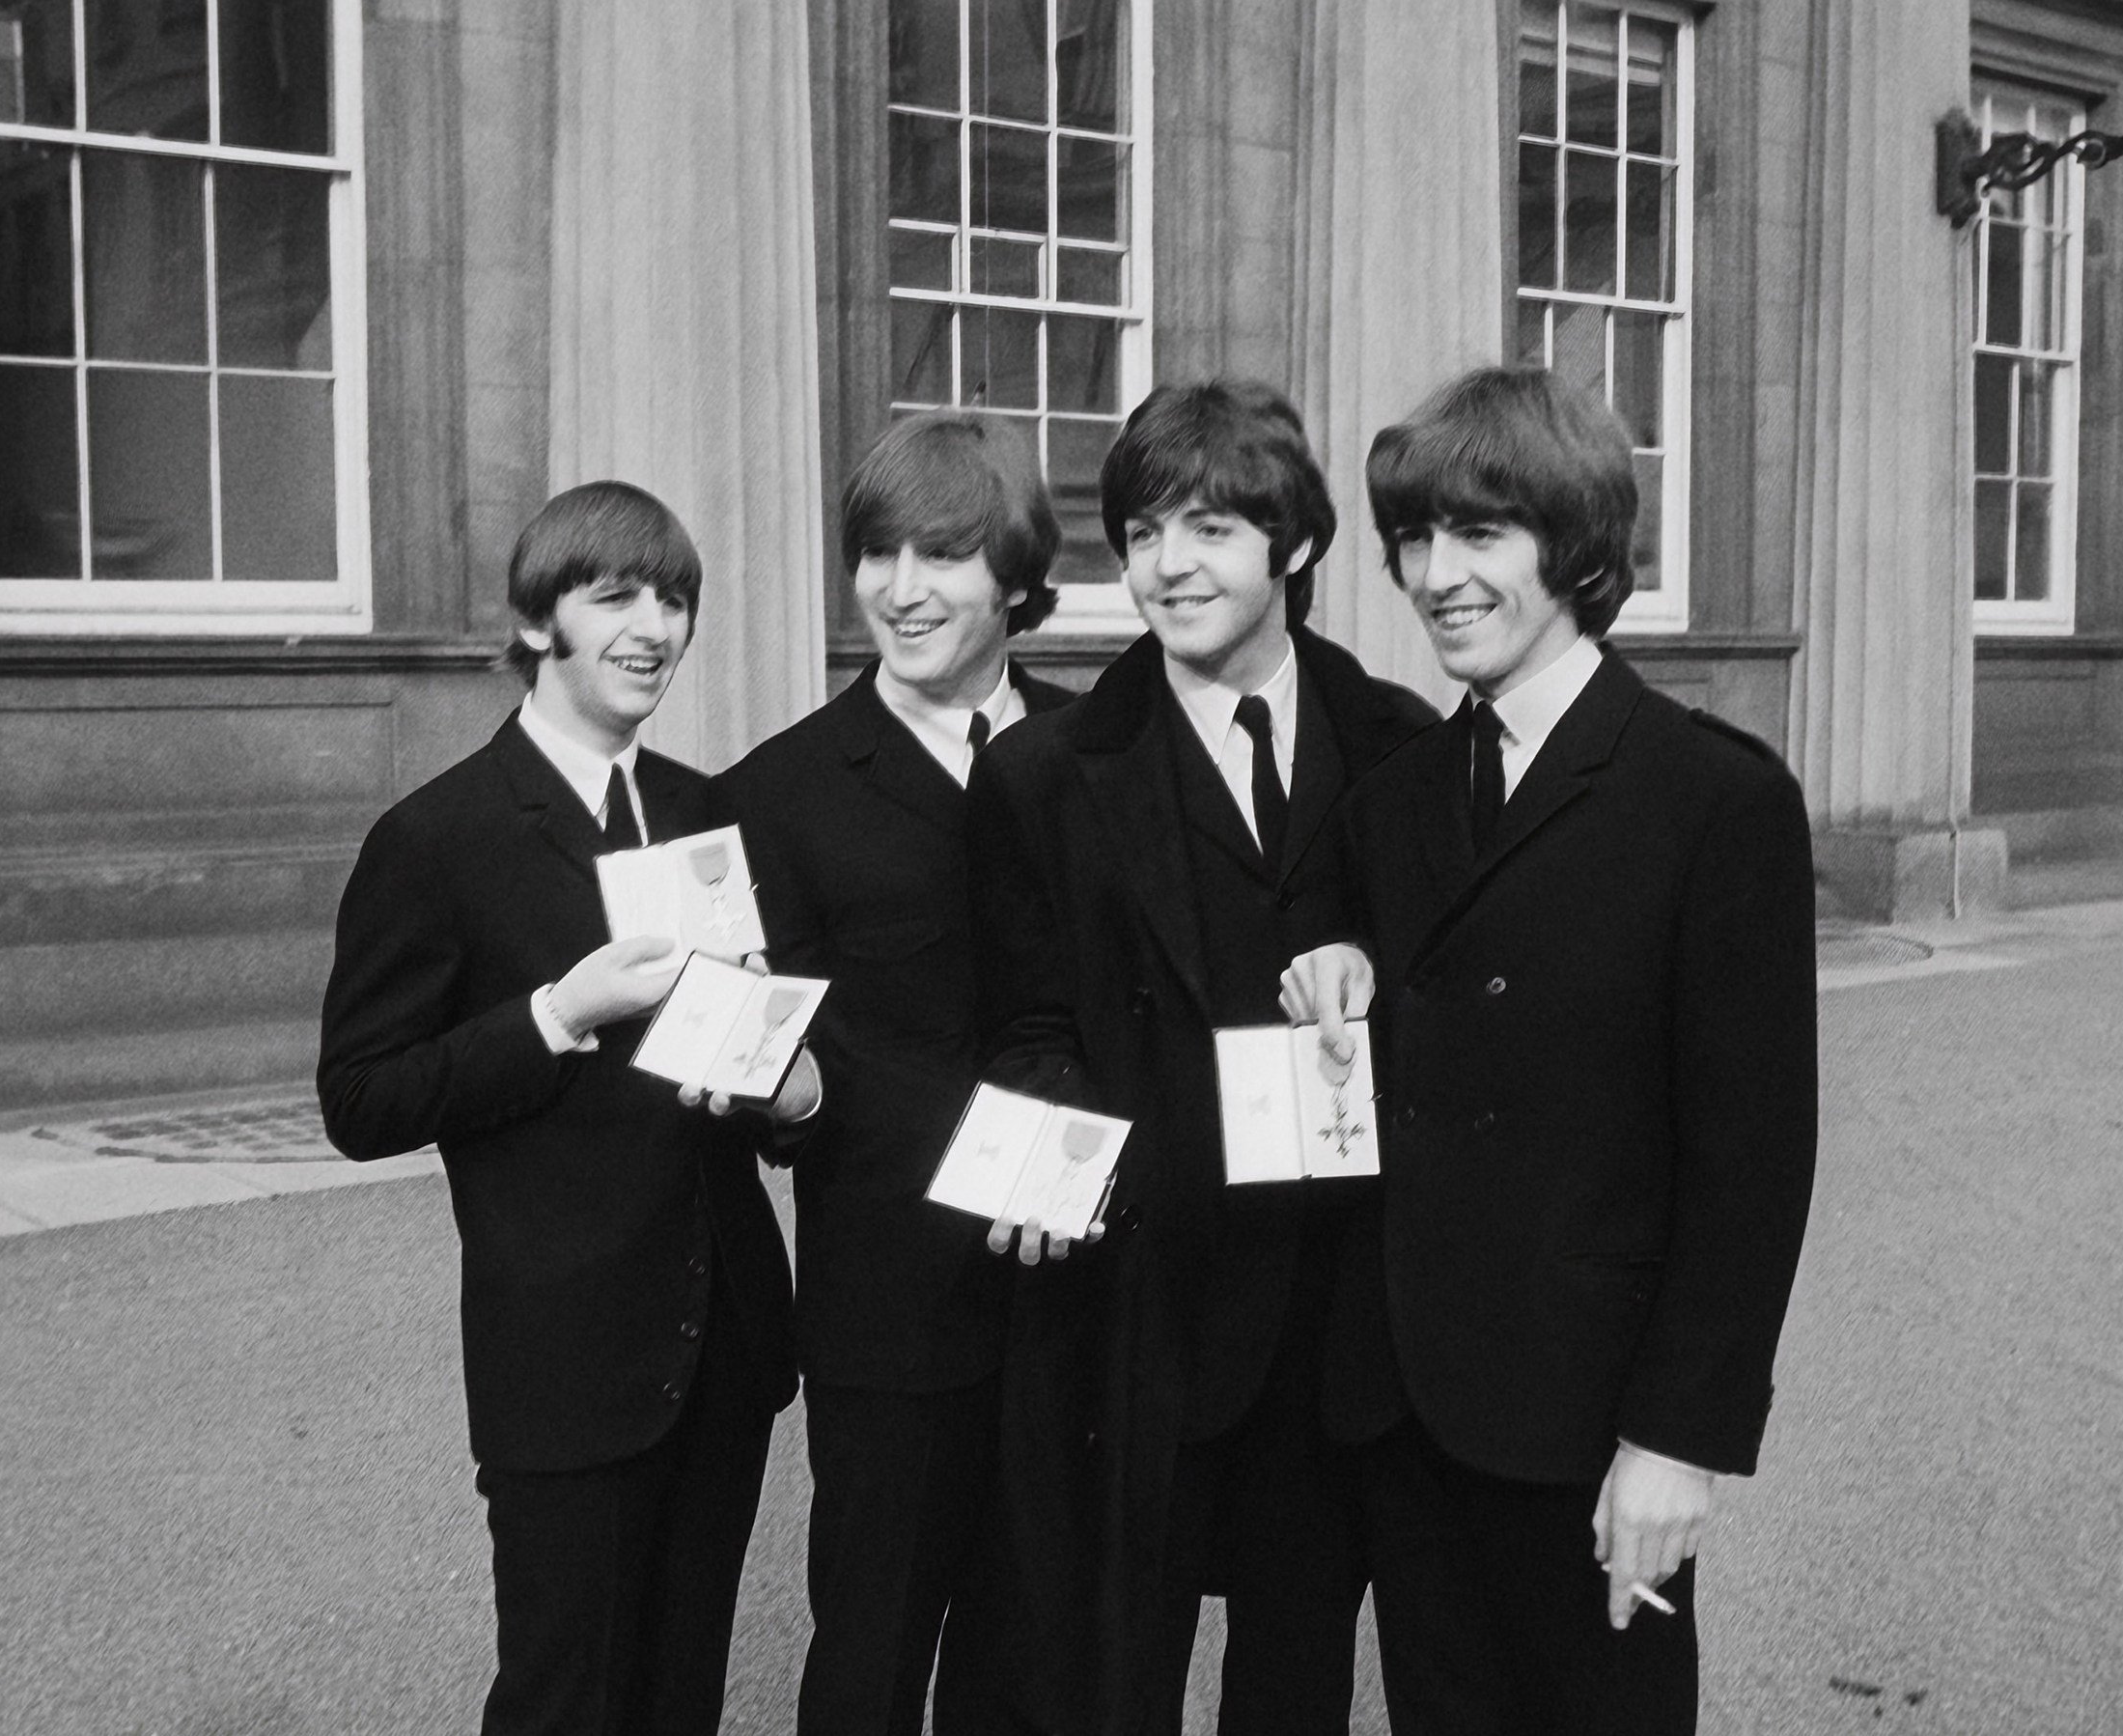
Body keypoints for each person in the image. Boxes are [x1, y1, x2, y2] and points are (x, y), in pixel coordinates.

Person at [1280, 366, 1818, 1735]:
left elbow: (1752, 1163)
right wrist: (1334, 962)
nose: (1435, 576)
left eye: (1479, 534)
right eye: (1415, 538)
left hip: (1593, 1424)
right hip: (1409, 1412)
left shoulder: (1715, 799)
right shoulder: (1394, 800)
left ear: (1574, 544)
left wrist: (1680, 1438)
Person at [966, 379, 1438, 1735]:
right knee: (1109, 1684)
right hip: (1139, 1314)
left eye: (1212, 528)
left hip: (1335, 1312)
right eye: (1142, 533)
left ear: (1296, 543)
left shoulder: (1402, 748)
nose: (1169, 565)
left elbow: (1451, 1008)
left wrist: (1374, 988)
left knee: (1297, 1682)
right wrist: (1046, 1153)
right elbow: (1027, 1026)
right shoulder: (1043, 773)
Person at [318, 481, 818, 1736]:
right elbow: (361, 1098)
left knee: (680, 1691)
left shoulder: (709, 813)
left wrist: (787, 1084)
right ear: (539, 621)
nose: (654, 627)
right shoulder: (436, 838)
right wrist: (556, 1011)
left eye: (675, 599)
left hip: (723, 1342)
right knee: (563, 1700)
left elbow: (758, 1069)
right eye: (616, 597)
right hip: (565, 1356)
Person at [718, 411, 1075, 1735]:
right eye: (879, 552)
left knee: (1040, 1661)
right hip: (892, 1308)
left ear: (1017, 574)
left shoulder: (1106, 753)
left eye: (943, 553)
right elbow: (793, 1068)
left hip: (1078, 1297)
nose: (901, 588)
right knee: (870, 1654)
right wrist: (786, 1096)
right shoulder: (776, 792)